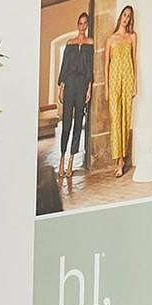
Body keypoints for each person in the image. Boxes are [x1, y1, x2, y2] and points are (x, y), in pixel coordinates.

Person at [56, 12, 94, 182]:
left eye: (85, 23)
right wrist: (61, 88)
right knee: (66, 124)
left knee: (78, 123)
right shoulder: (69, 43)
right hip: (70, 83)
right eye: (80, 23)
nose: (82, 26)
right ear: (77, 24)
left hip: (82, 85)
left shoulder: (90, 43)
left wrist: (89, 89)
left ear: (87, 25)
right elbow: (64, 66)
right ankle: (62, 158)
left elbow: (90, 68)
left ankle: (71, 160)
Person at [105, 5, 138, 178]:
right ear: (120, 16)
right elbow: (106, 65)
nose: (126, 18)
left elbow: (134, 59)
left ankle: (121, 161)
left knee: (125, 118)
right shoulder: (110, 39)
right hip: (114, 80)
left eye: (129, 16)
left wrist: (135, 84)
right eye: (124, 15)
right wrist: (107, 88)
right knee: (115, 119)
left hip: (128, 78)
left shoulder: (132, 37)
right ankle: (118, 157)